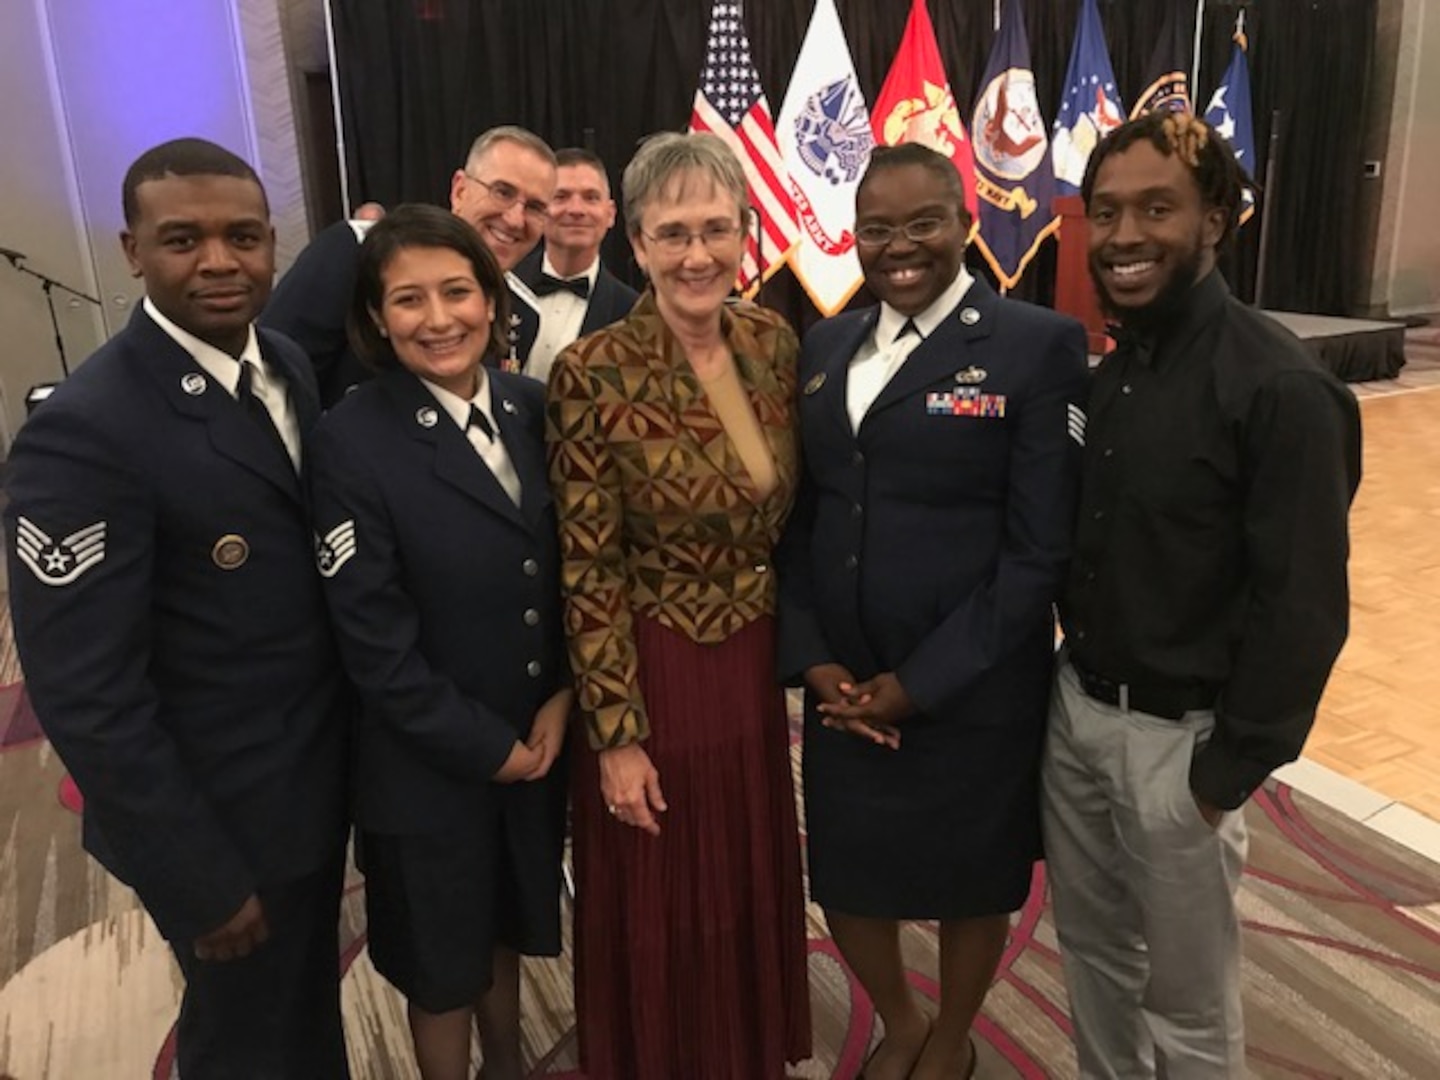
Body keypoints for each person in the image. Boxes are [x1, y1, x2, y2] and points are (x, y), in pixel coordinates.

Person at [4, 137, 349, 1078]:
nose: (219, 262)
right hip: (217, 815)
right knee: (242, 1041)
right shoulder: (86, 430)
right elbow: (86, 694)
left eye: (243, 236)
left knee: (303, 1009)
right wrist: (194, 875)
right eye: (182, 239)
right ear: (132, 251)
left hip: (307, 785)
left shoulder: (284, 364)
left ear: (274, 242)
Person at [1043, 112, 1362, 1078]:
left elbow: (1302, 607)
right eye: (1106, 212)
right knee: (1094, 960)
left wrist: (1227, 775)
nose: (1126, 236)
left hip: (1182, 752)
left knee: (1187, 1004)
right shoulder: (1112, 370)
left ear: (1216, 217)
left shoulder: (1280, 388)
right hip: (1077, 714)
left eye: (1156, 208)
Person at [777, 142, 1089, 1080]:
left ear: (964, 225)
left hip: (971, 684)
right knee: (846, 879)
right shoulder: (825, 345)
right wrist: (815, 661)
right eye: (877, 228)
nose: (899, 245)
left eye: (922, 224)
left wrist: (920, 686)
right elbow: (805, 520)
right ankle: (901, 1019)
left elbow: (1040, 552)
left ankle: (952, 1034)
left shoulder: (1036, 344)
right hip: (844, 687)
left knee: (968, 881)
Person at [546, 131, 811, 1080]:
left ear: (745, 233)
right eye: (672, 234)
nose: (696, 254)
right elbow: (588, 564)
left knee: (741, 872)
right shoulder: (591, 372)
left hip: (747, 664)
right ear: (639, 247)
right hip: (649, 665)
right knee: (658, 881)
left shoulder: (774, 343)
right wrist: (615, 735)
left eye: (715, 229)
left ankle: (741, 1053)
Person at [307, 204, 571, 1080]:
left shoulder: (536, 408)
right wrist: (486, 747)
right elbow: (373, 643)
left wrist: (564, 699)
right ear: (377, 319)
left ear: (493, 301)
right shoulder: (352, 437)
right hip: (428, 764)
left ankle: (509, 1067)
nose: (439, 318)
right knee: (440, 968)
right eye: (408, 300)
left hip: (535, 742)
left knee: (503, 931)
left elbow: (574, 576)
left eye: (458, 291)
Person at [263, 125, 557, 403]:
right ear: (460, 191)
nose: (515, 219)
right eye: (503, 192)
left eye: (535, 207)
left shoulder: (524, 313)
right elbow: (273, 381)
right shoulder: (354, 251)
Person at [513, 147, 639, 384]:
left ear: (610, 214)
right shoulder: (502, 288)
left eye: (590, 197)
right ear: (541, 209)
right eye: (561, 197)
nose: (576, 210)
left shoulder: (632, 312)